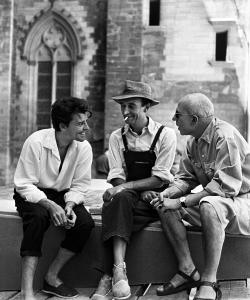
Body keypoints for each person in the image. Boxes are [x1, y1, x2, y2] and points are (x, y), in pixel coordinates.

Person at [151, 93, 250, 300]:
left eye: (178, 115)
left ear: (194, 120)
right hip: (223, 201)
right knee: (164, 206)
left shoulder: (225, 136)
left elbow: (227, 186)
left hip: (243, 201)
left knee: (208, 204)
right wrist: (170, 192)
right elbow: (187, 178)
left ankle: (209, 281)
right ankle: (187, 269)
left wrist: (181, 201)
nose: (174, 120)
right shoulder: (192, 143)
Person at [91, 80, 177, 300]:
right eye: (123, 106)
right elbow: (116, 174)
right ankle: (118, 271)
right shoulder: (116, 136)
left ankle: (105, 279)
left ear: (146, 107)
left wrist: (127, 188)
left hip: (155, 199)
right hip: (131, 199)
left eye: (132, 106)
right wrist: (128, 190)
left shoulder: (165, 135)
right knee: (116, 205)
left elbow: (159, 179)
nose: (125, 111)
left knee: (114, 210)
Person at [13, 97, 95, 300]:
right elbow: (23, 183)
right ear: (62, 125)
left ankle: (51, 276)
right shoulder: (36, 142)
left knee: (84, 223)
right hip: (31, 192)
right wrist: (49, 205)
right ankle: (26, 291)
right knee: (38, 218)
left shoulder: (83, 148)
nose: (86, 127)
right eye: (80, 123)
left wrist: (69, 205)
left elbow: (79, 185)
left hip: (63, 194)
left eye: (86, 121)